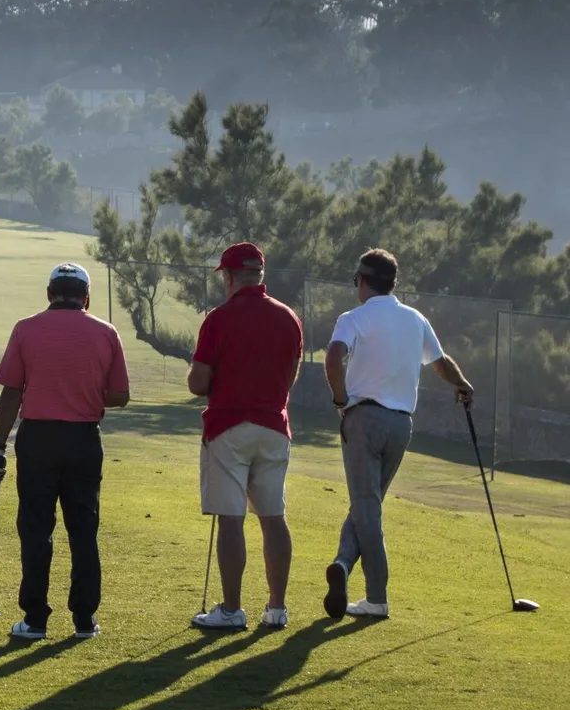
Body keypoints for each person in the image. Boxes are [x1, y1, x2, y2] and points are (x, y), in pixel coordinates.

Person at [322, 248, 475, 619]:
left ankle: (376, 598)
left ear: (363, 280)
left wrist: (340, 401)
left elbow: (332, 356)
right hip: (401, 425)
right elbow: (440, 363)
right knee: (368, 504)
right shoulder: (415, 318)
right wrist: (462, 384)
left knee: (367, 507)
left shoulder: (352, 317)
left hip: (363, 419)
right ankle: (342, 564)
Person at [0, 262, 129, 641]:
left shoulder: (26, 329)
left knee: (36, 529)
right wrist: (85, 390)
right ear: (86, 297)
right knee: (84, 530)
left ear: (50, 294)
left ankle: (35, 620)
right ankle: (84, 620)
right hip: (84, 440)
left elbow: (12, 392)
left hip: (37, 439)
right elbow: (120, 396)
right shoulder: (106, 332)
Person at [188, 242, 304, 631]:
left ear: (230, 276)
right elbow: (290, 377)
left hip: (228, 426)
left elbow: (198, 382)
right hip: (274, 426)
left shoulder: (218, 319)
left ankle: (233, 609)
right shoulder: (289, 318)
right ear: (261, 274)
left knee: (231, 519)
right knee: (273, 517)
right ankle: (276, 608)